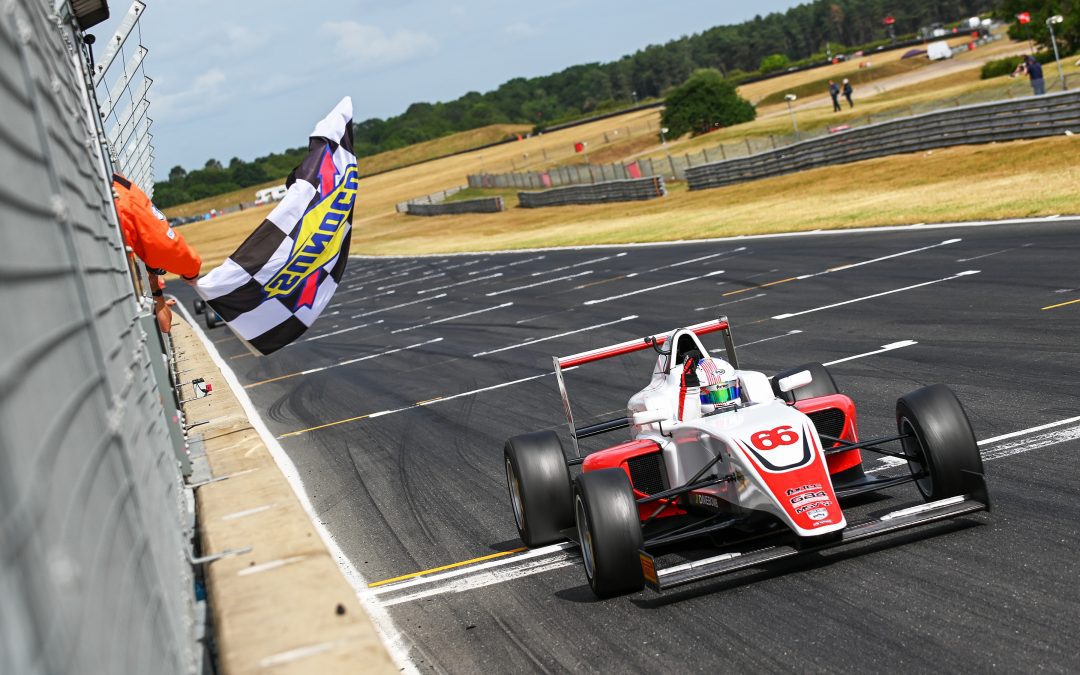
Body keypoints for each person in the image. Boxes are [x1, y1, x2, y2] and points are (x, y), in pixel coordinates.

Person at [112, 173, 202, 333]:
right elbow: (164, 244)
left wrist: (156, 291)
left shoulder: (144, 290)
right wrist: (190, 271)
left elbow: (166, 326)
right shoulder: (121, 191)